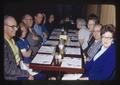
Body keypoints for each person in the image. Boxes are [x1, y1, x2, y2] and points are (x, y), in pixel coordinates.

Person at [4, 15, 34, 80]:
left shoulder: (13, 40)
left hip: (20, 68)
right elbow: (7, 70)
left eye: (16, 26)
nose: (16, 29)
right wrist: (27, 74)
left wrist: (25, 64)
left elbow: (18, 60)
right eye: (12, 27)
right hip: (11, 76)